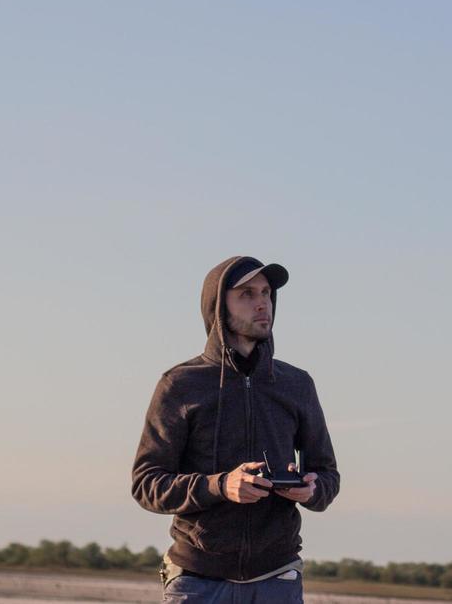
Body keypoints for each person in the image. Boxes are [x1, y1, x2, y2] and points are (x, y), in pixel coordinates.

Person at [133, 255, 340, 603]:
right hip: (198, 581)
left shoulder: (297, 384)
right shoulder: (180, 385)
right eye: (246, 294)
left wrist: (311, 489)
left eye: (266, 293)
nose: (262, 303)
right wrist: (221, 485)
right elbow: (147, 483)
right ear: (217, 307)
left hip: (277, 578)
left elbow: (328, 476)